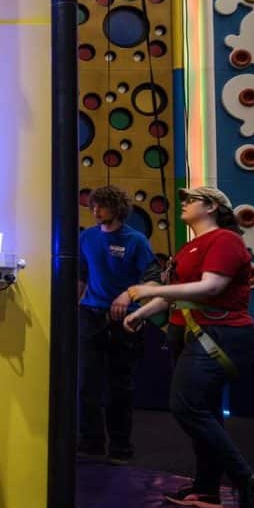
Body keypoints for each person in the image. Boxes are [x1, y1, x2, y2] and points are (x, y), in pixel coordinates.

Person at [124, 186, 254, 508]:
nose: (184, 203)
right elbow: (178, 293)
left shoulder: (224, 241)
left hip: (220, 334)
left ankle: (246, 481)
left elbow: (210, 287)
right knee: (205, 412)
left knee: (187, 407)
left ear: (211, 207)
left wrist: (146, 290)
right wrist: (141, 312)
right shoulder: (191, 247)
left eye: (191, 200)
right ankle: (208, 489)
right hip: (195, 333)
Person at [77, 185, 157, 463]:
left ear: (117, 208)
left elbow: (152, 281)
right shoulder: (86, 237)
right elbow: (81, 276)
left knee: (119, 386)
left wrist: (128, 294)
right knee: (87, 383)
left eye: (101, 206)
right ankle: (91, 443)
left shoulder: (135, 241)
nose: (96, 211)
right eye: (93, 206)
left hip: (124, 318)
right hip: (90, 314)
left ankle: (121, 448)